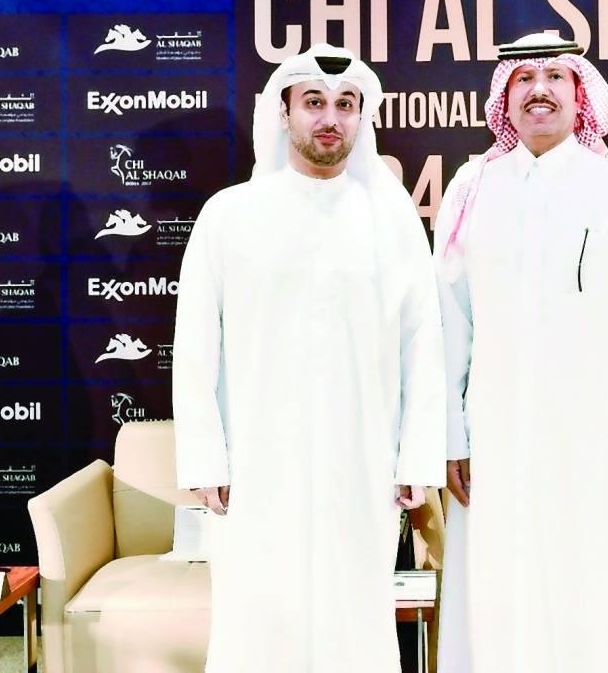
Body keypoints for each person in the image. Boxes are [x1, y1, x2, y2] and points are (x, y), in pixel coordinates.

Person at [172, 43, 446, 672]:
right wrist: (206, 456)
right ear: (284, 113)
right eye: (315, 102)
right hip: (255, 463)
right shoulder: (229, 215)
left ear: (362, 117)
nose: (331, 118)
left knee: (357, 616)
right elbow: (194, 348)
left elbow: (421, 343)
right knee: (256, 619)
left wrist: (418, 457)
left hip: (365, 459)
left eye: (346, 104)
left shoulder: (391, 216)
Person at [435, 32, 608, 673]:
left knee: (591, 598)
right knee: (495, 594)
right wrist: (452, 438)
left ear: (580, 95)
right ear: (504, 99)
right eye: (523, 79)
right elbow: (449, 326)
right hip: (494, 439)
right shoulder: (470, 191)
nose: (539, 90)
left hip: (595, 442)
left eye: (556, 78)